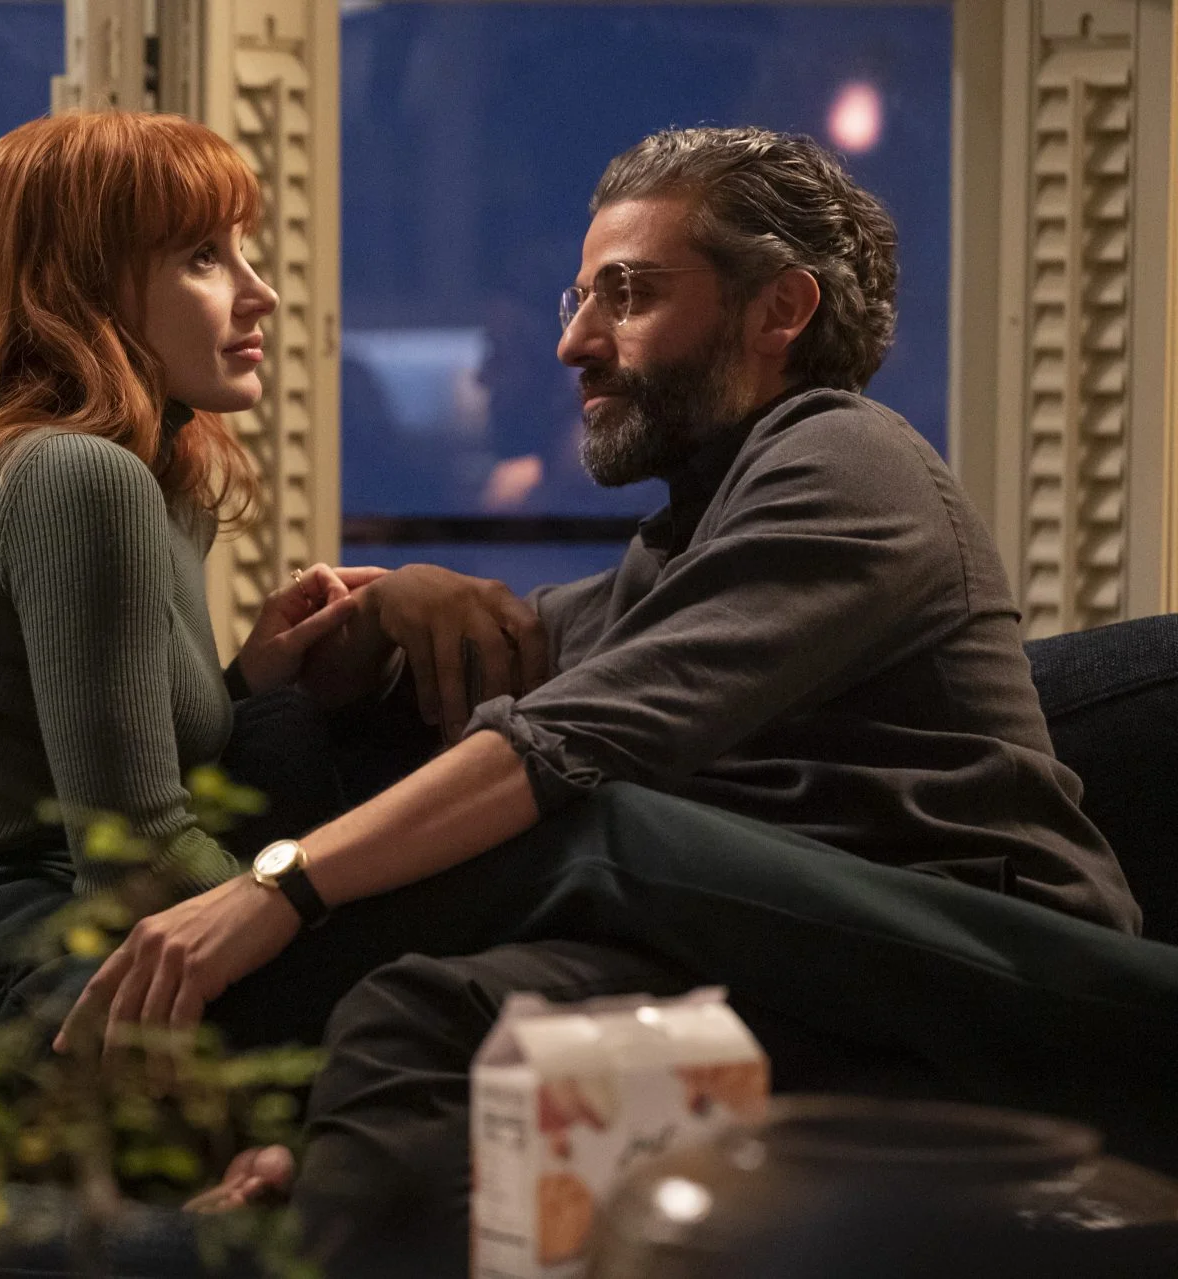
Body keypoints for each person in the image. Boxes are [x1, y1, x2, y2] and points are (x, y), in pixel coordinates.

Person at [57, 127, 1171, 1271]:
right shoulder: (691, 530)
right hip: (786, 975)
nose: (575, 342)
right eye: (580, 297)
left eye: (628, 295)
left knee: (590, 841)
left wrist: (275, 887)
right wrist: (394, 608)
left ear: (780, 309)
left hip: (992, 993)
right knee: (429, 1022)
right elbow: (519, 649)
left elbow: (562, 740)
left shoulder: (850, 461)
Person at [0, 111, 392, 1032]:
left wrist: (250, 681)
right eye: (203, 258)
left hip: (44, 940)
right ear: (80, 291)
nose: (261, 294)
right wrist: (324, 916)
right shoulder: (75, 476)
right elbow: (135, 857)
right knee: (418, 974)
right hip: (6, 964)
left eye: (241, 250)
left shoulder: (156, 481)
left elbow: (97, 772)